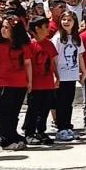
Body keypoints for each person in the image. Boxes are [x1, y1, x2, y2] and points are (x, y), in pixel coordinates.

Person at [0, 12, 32, 151]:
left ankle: (12, 134)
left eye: (7, 27)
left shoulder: (23, 46)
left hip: (19, 84)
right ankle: (5, 139)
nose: (3, 30)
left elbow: (28, 64)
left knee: (14, 112)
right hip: (4, 83)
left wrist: (29, 81)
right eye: (3, 27)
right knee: (4, 113)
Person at [51, 10, 85, 142]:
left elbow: (80, 55)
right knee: (60, 103)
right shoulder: (57, 38)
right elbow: (54, 58)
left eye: (69, 20)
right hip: (61, 76)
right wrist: (56, 75)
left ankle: (67, 126)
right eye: (64, 19)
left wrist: (84, 71)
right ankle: (61, 128)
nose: (66, 22)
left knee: (68, 103)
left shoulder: (77, 38)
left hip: (72, 75)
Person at [24, 17, 58, 146]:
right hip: (35, 83)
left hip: (48, 82)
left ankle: (41, 131)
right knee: (33, 109)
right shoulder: (30, 45)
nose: (48, 30)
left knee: (45, 108)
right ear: (37, 29)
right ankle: (29, 132)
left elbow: (53, 62)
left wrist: (57, 76)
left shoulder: (49, 43)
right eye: (45, 27)